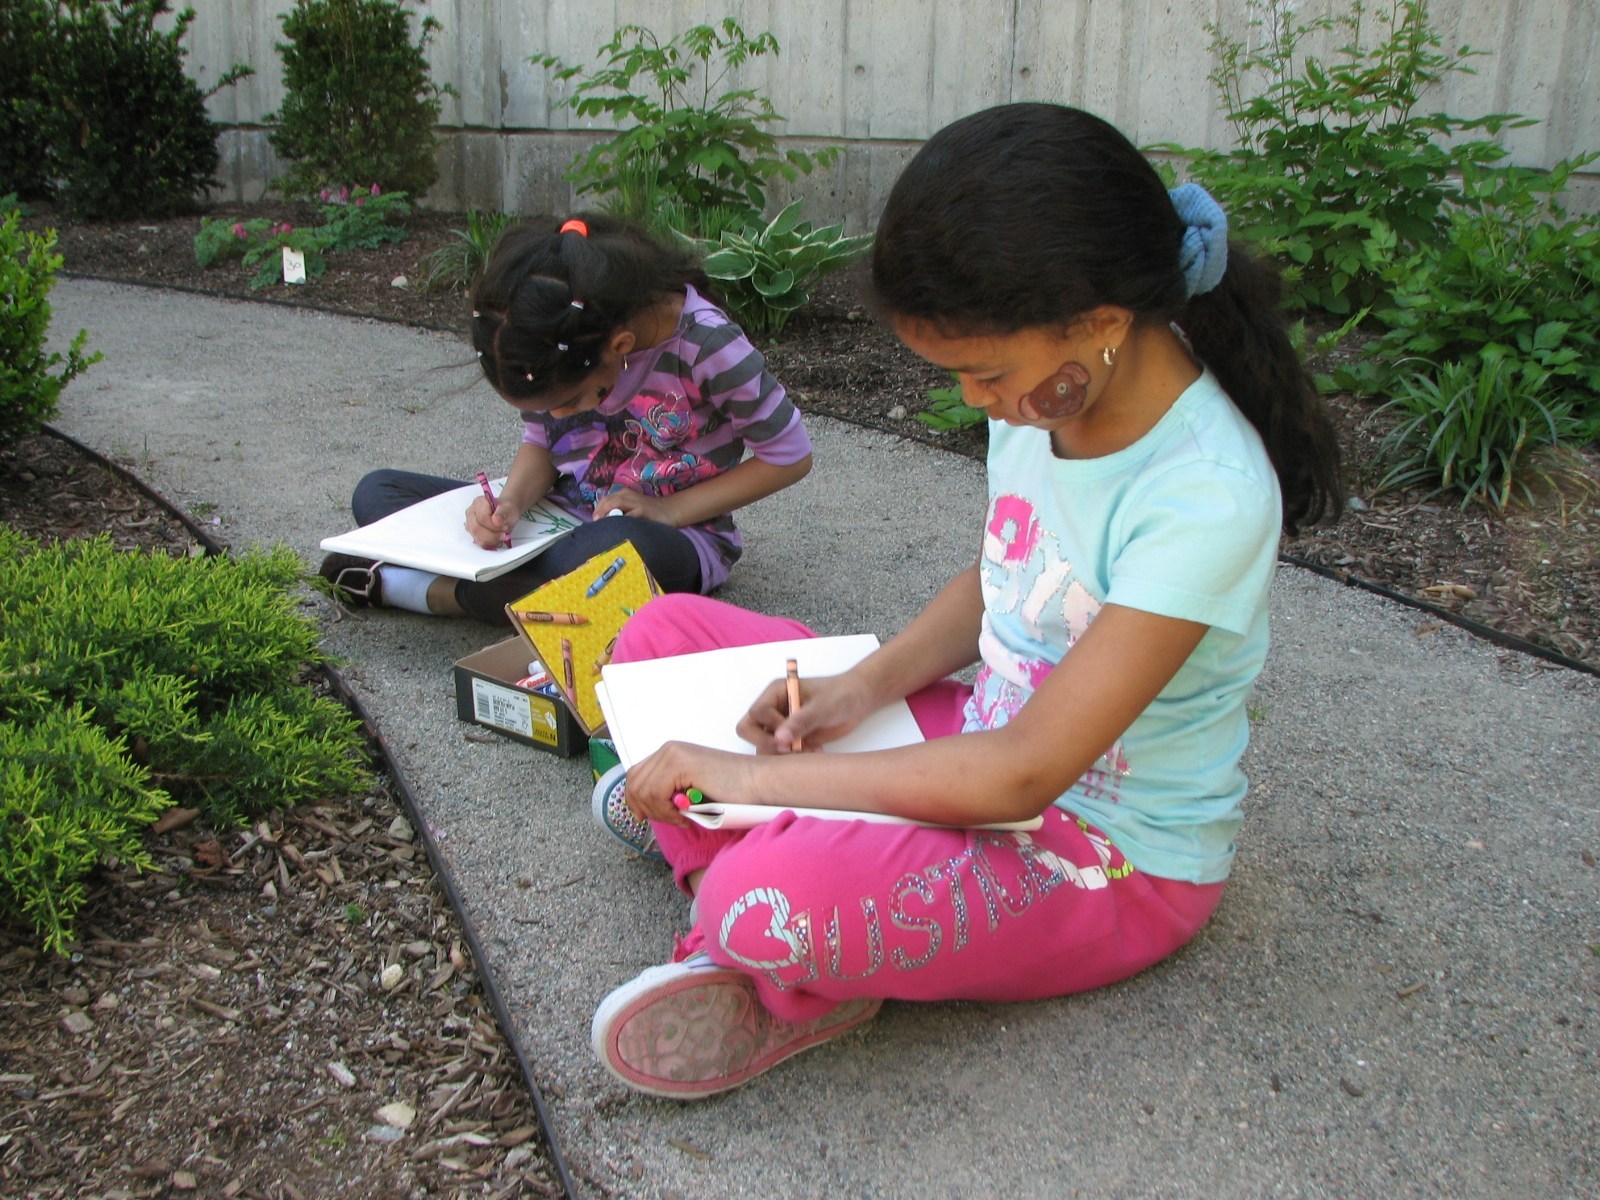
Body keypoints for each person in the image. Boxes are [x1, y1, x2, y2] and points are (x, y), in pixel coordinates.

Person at [583, 102, 1345, 1101]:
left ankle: (758, 936)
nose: (973, 400)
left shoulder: (1204, 493)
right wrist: (857, 688)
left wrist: (754, 778)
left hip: (1101, 852)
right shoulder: (1048, 396)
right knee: (657, 633)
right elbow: (1004, 574)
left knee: (758, 898)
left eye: (982, 372)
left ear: (1104, 322)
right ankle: (735, 832)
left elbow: (1025, 777)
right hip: (982, 733)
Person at [319, 214, 814, 622]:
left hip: (669, 536)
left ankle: (438, 593)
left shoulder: (709, 346)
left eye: (574, 401)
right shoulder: (565, 339)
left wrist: (669, 511)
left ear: (619, 349)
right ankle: (509, 586)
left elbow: (790, 457)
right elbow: (541, 442)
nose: (556, 417)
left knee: (600, 556)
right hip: (554, 523)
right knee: (378, 492)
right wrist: (509, 505)